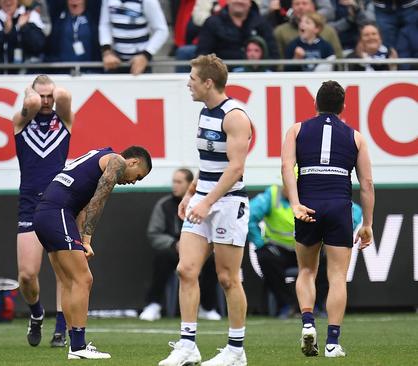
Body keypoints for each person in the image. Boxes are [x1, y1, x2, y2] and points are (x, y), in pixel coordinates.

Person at [159, 54, 252, 366]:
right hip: (203, 199)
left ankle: (236, 351)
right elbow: (210, 165)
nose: (188, 83)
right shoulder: (204, 112)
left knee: (228, 278)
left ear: (208, 82)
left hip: (228, 204)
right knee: (186, 269)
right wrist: (190, 193)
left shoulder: (235, 116)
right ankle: (188, 346)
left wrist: (207, 201)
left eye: (193, 79)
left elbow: (236, 168)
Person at [281, 80, 375, 358]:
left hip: (308, 205)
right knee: (337, 277)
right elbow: (367, 183)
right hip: (339, 206)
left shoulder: (296, 130)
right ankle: (333, 343)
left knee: (307, 271)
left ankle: (308, 323)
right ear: (343, 107)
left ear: (315, 104)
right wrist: (367, 224)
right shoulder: (356, 137)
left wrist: (296, 203)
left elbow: (287, 167)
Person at [34, 145, 153, 359]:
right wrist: (87, 239)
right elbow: (100, 198)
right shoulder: (116, 161)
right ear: (133, 162)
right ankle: (78, 347)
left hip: (47, 214)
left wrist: (78, 238)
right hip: (56, 213)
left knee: (70, 282)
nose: (133, 181)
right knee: (83, 279)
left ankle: (75, 345)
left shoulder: (98, 158)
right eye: (138, 177)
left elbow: (81, 205)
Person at [13, 74, 74, 348]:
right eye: (42, 96)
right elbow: (33, 102)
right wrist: (32, 95)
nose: (47, 101)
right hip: (29, 203)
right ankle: (36, 313)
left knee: (63, 270)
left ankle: (61, 328)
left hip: (58, 201)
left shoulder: (64, 120)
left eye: (50, 95)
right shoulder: (20, 122)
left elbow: (64, 97)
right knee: (27, 275)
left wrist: (44, 92)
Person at [248, 184, 363, 318]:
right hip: (280, 251)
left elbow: (354, 211)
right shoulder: (272, 195)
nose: (286, 188)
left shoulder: (316, 194)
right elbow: (250, 215)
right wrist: (260, 243)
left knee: (330, 258)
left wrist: (337, 235)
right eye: (285, 183)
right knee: (264, 256)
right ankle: (287, 305)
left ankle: (317, 305)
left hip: (310, 248)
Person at [139, 168, 221, 322]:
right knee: (162, 257)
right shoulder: (163, 205)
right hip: (174, 250)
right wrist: (173, 244)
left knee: (212, 261)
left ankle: (207, 307)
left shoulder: (202, 205)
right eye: (173, 182)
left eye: (179, 182)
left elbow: (212, 229)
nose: (174, 185)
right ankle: (154, 304)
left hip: (199, 250)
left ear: (190, 184)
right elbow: (154, 233)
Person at [194, 0, 280, 65]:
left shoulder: (262, 24)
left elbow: (273, 56)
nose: (239, 1)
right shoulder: (212, 23)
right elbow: (202, 55)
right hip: (220, 78)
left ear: (250, 2)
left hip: (255, 75)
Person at [98, 0, 169, 74]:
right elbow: (105, 25)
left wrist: (145, 56)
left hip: (141, 62)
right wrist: (107, 52)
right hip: (115, 61)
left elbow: (162, 30)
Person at [274, 0, 343, 60]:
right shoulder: (280, 31)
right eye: (297, 4)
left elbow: (338, 59)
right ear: (292, 7)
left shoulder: (329, 31)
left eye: (304, 3)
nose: (300, 7)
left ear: (313, 6)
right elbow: (278, 63)